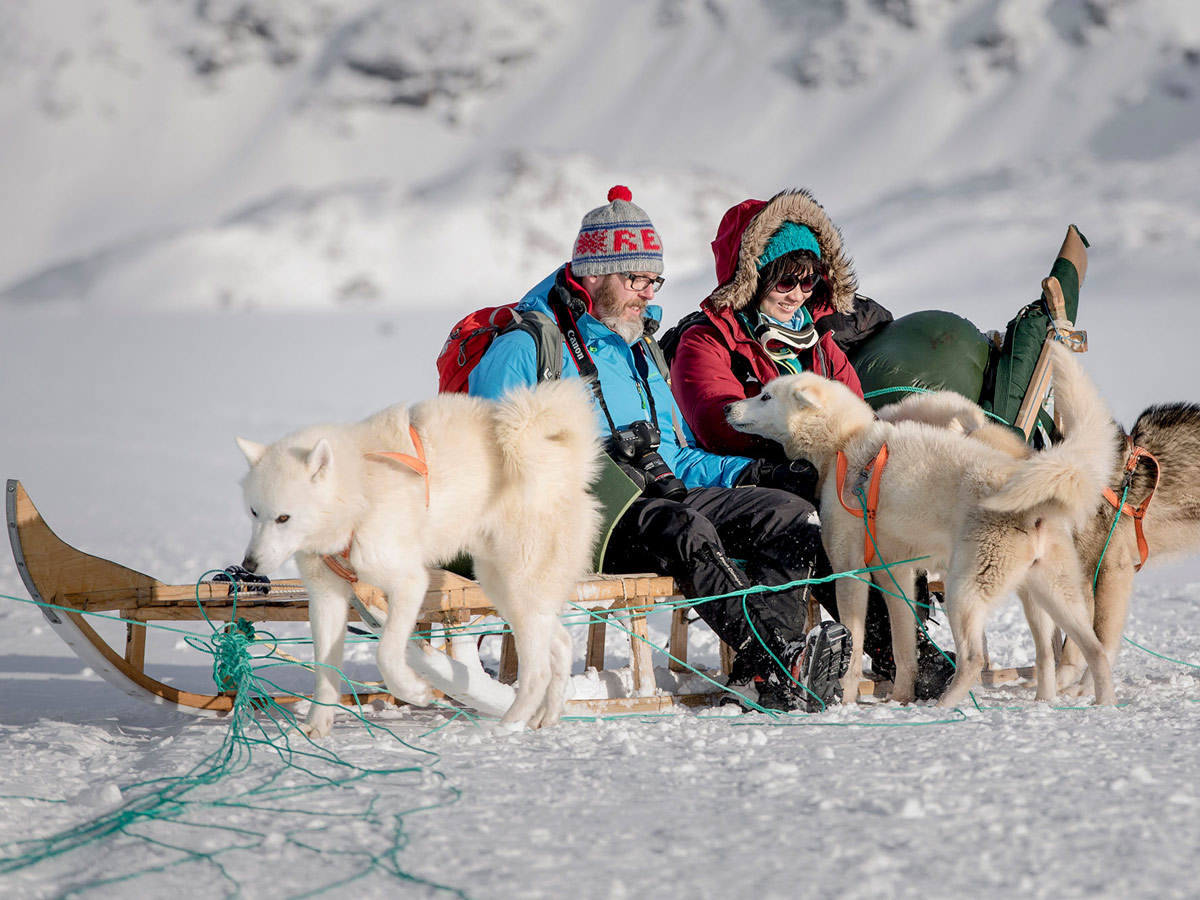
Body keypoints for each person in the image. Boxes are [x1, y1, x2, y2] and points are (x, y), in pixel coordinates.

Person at [469, 185, 850, 712]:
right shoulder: (528, 347)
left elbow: (676, 457)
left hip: (659, 497)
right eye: (636, 279)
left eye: (654, 280)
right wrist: (598, 461)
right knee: (685, 528)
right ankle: (778, 663)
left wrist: (754, 473)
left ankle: (764, 673)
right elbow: (492, 460)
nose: (648, 293)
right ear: (593, 273)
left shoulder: (641, 351)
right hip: (581, 515)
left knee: (790, 514)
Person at [669, 188, 954, 697]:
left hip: (821, 480)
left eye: (808, 279)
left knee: (869, 516)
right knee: (818, 517)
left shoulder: (818, 344)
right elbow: (718, 422)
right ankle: (793, 659)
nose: (797, 292)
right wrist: (794, 459)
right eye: (785, 278)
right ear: (753, 277)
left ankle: (904, 652)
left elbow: (857, 418)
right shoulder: (706, 340)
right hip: (733, 482)